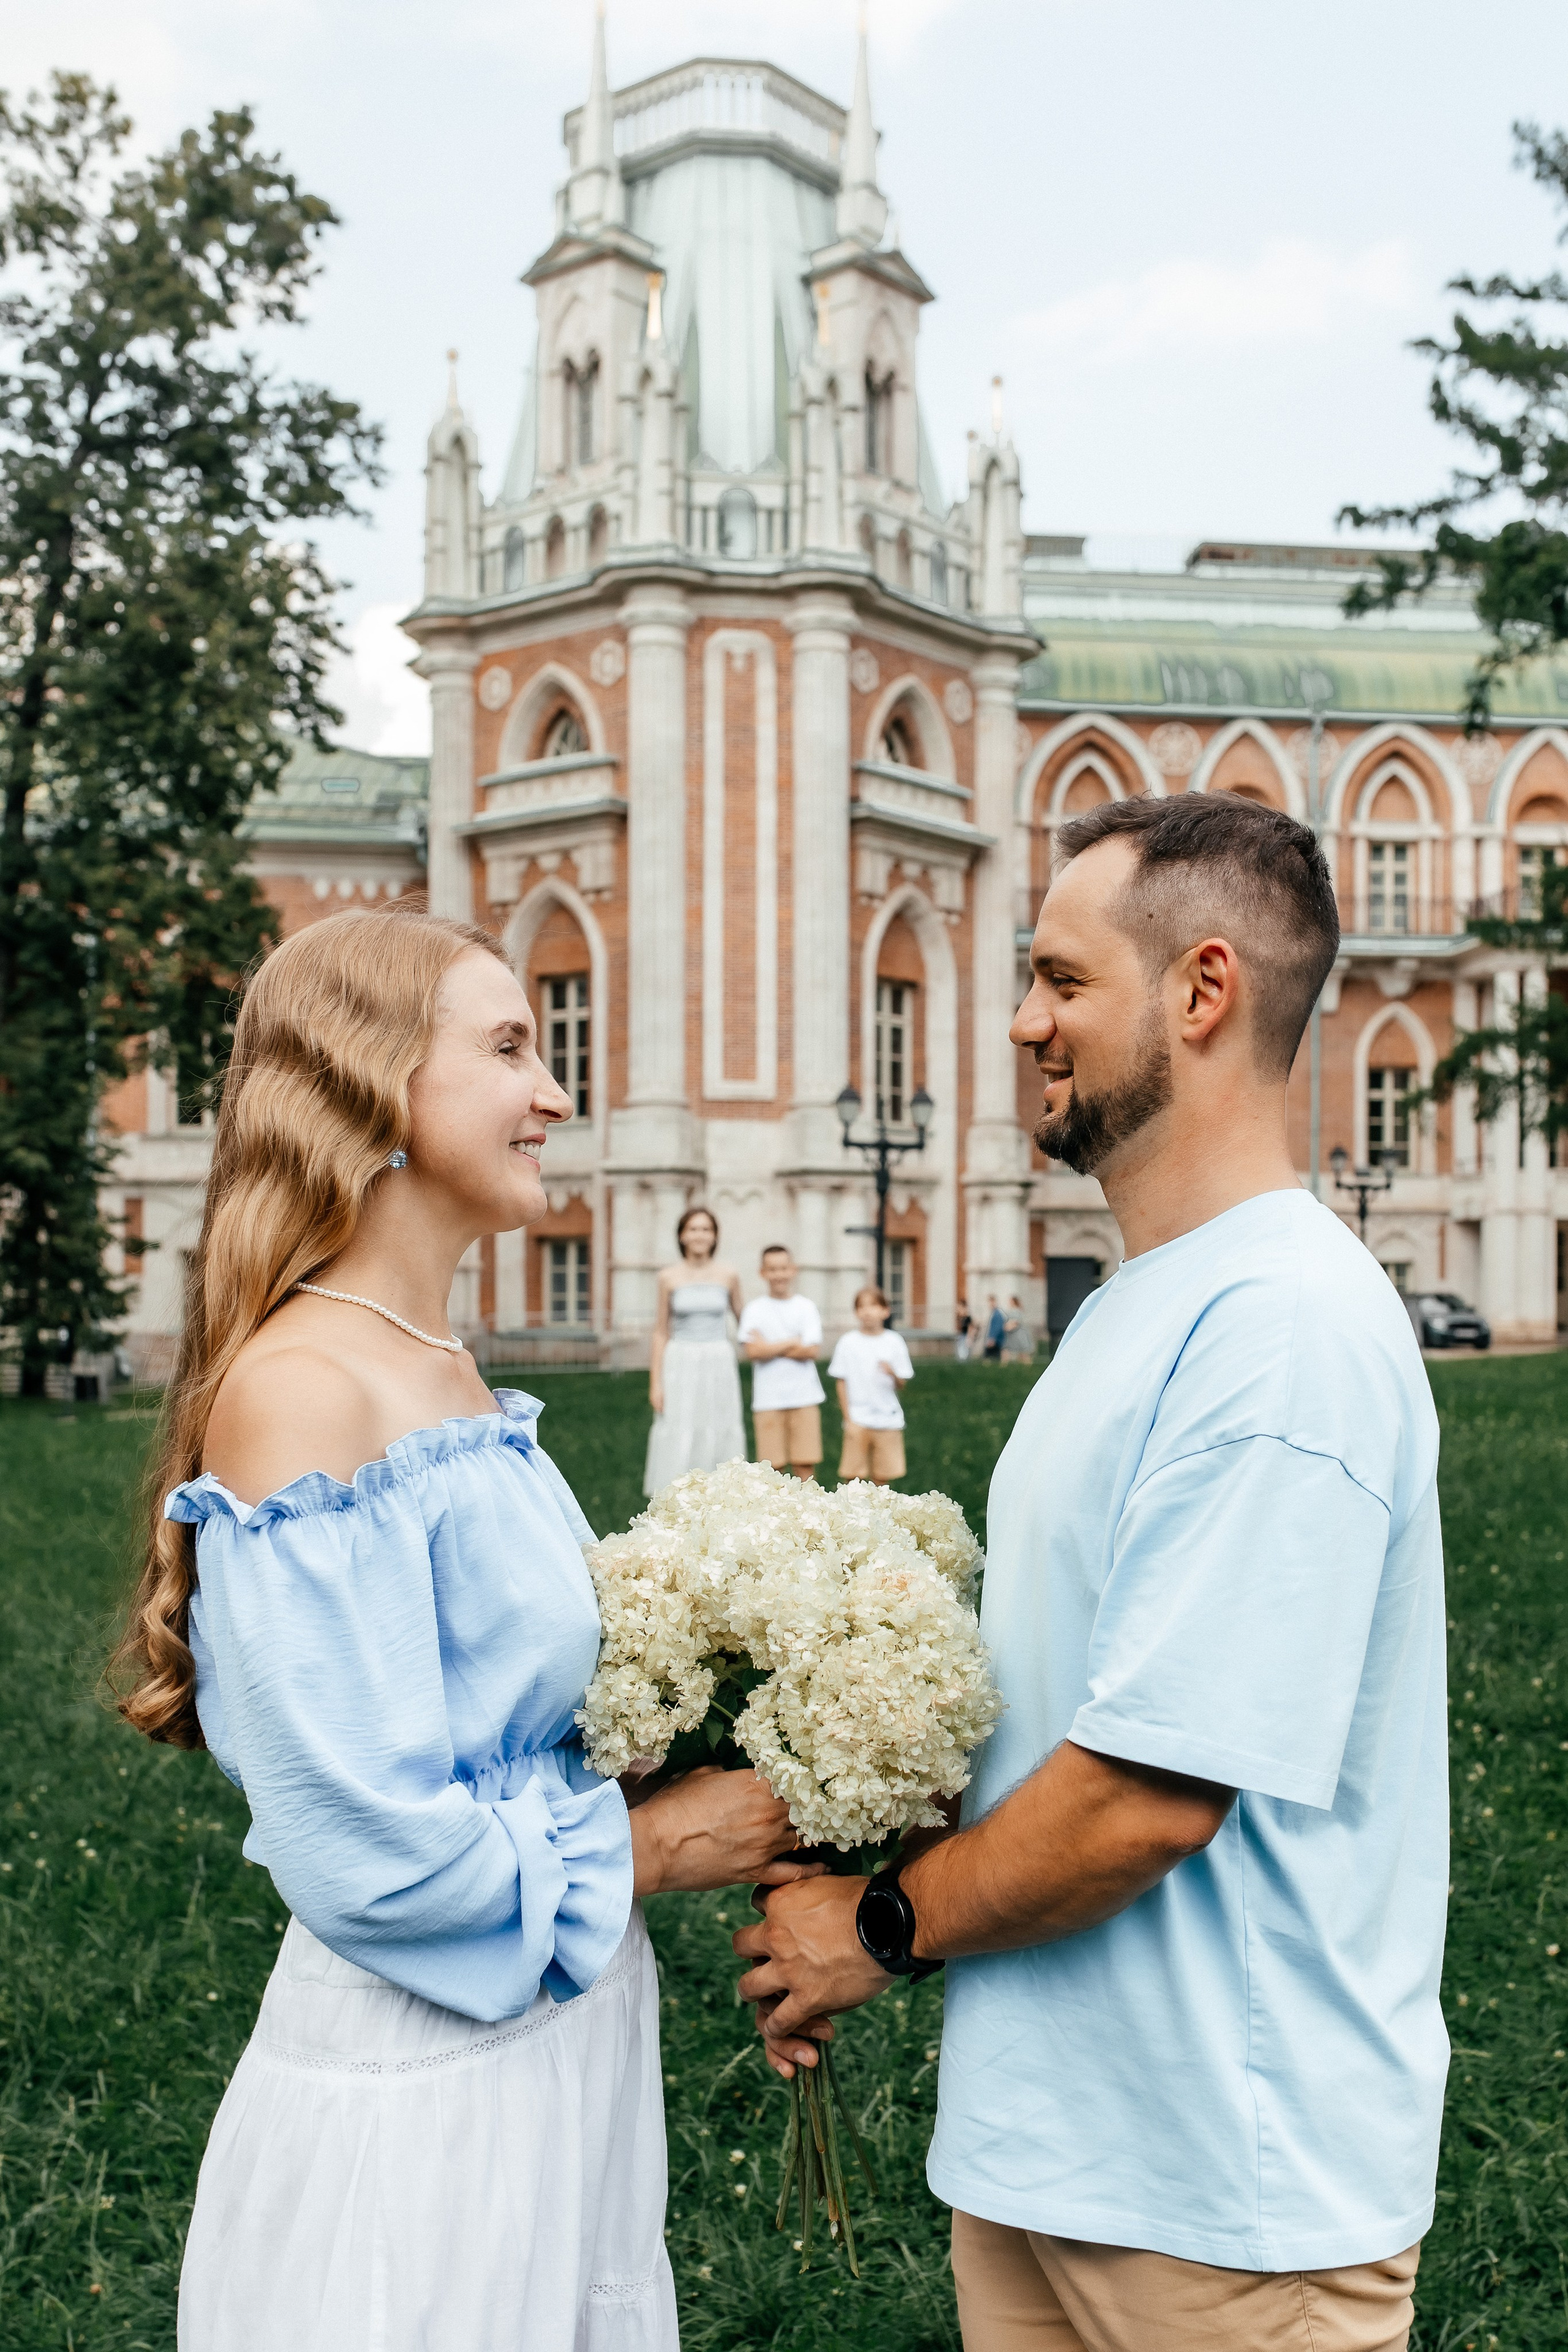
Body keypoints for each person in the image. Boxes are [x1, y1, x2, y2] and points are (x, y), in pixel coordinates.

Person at [736, 793, 1447, 2352]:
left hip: (1227, 2197)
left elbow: (1144, 1794)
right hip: (1055, 2150)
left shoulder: (1279, 1328)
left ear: (1199, 993)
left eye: (1059, 979)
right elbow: (1061, 1699)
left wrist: (872, 1927)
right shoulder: (1143, 1304)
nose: (1016, 1021)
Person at [110, 908, 817, 2351]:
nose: (554, 1092)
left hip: (554, 2042)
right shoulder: (304, 1387)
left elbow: (499, 1716)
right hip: (420, 2091)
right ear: (371, 1080)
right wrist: (665, 1844)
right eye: (508, 1047)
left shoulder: (438, 1362)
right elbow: (356, 1844)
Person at [643, 1205, 746, 1495]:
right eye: (693, 1229)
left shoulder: (729, 1275)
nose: (700, 1235)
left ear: (715, 1237)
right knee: (681, 1425)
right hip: (681, 1361)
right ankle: (678, 1497)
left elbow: (746, 1322)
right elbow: (661, 1331)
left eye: (706, 1229)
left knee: (718, 1423)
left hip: (718, 1361)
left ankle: (722, 1495)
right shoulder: (668, 1277)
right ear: (682, 1236)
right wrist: (656, 1384)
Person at [738, 1245, 824, 1479]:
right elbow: (753, 1351)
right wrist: (792, 1341)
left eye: (784, 1268)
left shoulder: (806, 1307)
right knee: (773, 1469)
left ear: (793, 1270)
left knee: (805, 1466)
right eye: (772, 1269)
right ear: (762, 1273)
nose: (779, 1275)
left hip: (804, 1396)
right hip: (768, 1399)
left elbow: (811, 1350)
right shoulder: (754, 1310)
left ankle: (808, 1514)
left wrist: (769, 1347)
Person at [827, 1285, 914, 1487]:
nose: (867, 1312)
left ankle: (878, 1514)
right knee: (853, 1477)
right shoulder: (848, 1342)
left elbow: (902, 1383)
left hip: (887, 1419)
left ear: (885, 1311)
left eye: (874, 1306)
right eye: (861, 1307)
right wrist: (848, 1418)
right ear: (856, 1312)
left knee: (882, 1478)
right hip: (858, 1418)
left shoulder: (894, 1342)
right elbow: (841, 1382)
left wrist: (892, 1373)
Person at [982, 1294, 1005, 1361]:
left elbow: (998, 1327)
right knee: (993, 1358)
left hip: (995, 1340)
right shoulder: (993, 1313)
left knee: (989, 1358)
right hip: (993, 1339)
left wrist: (992, 1338)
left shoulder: (997, 1314)